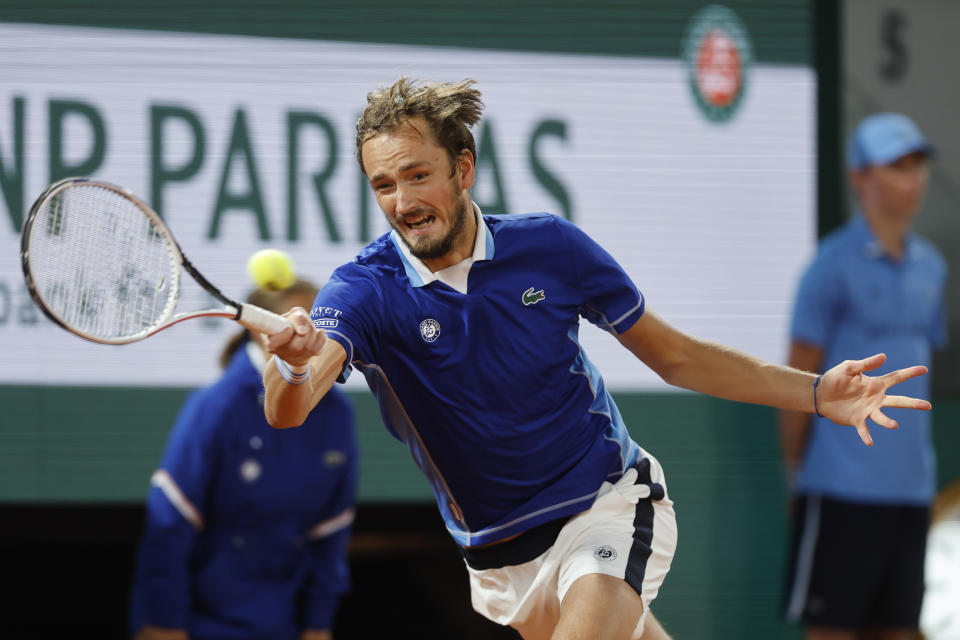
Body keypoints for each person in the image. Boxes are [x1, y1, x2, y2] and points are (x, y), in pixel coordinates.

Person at [262, 78, 932, 640]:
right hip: (500, 559)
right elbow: (291, 407)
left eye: (417, 175)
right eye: (384, 185)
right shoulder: (363, 289)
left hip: (606, 503)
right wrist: (291, 365)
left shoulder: (551, 249)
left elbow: (676, 357)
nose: (403, 203)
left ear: (463, 168)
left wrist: (816, 392)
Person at [780, 113, 946, 640]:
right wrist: (795, 474)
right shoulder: (828, 267)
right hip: (840, 490)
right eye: (896, 166)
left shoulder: (932, 268)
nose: (913, 178)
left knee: (899, 630)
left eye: (917, 165)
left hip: (911, 494)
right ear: (859, 177)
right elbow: (797, 377)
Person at [129, 275, 359, 640]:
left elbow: (330, 532)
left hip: (285, 625)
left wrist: (318, 625)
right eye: (300, 319)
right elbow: (171, 524)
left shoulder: (338, 414)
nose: (314, 332)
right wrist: (162, 624)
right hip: (199, 625)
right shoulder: (217, 406)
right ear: (261, 332)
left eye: (322, 320)